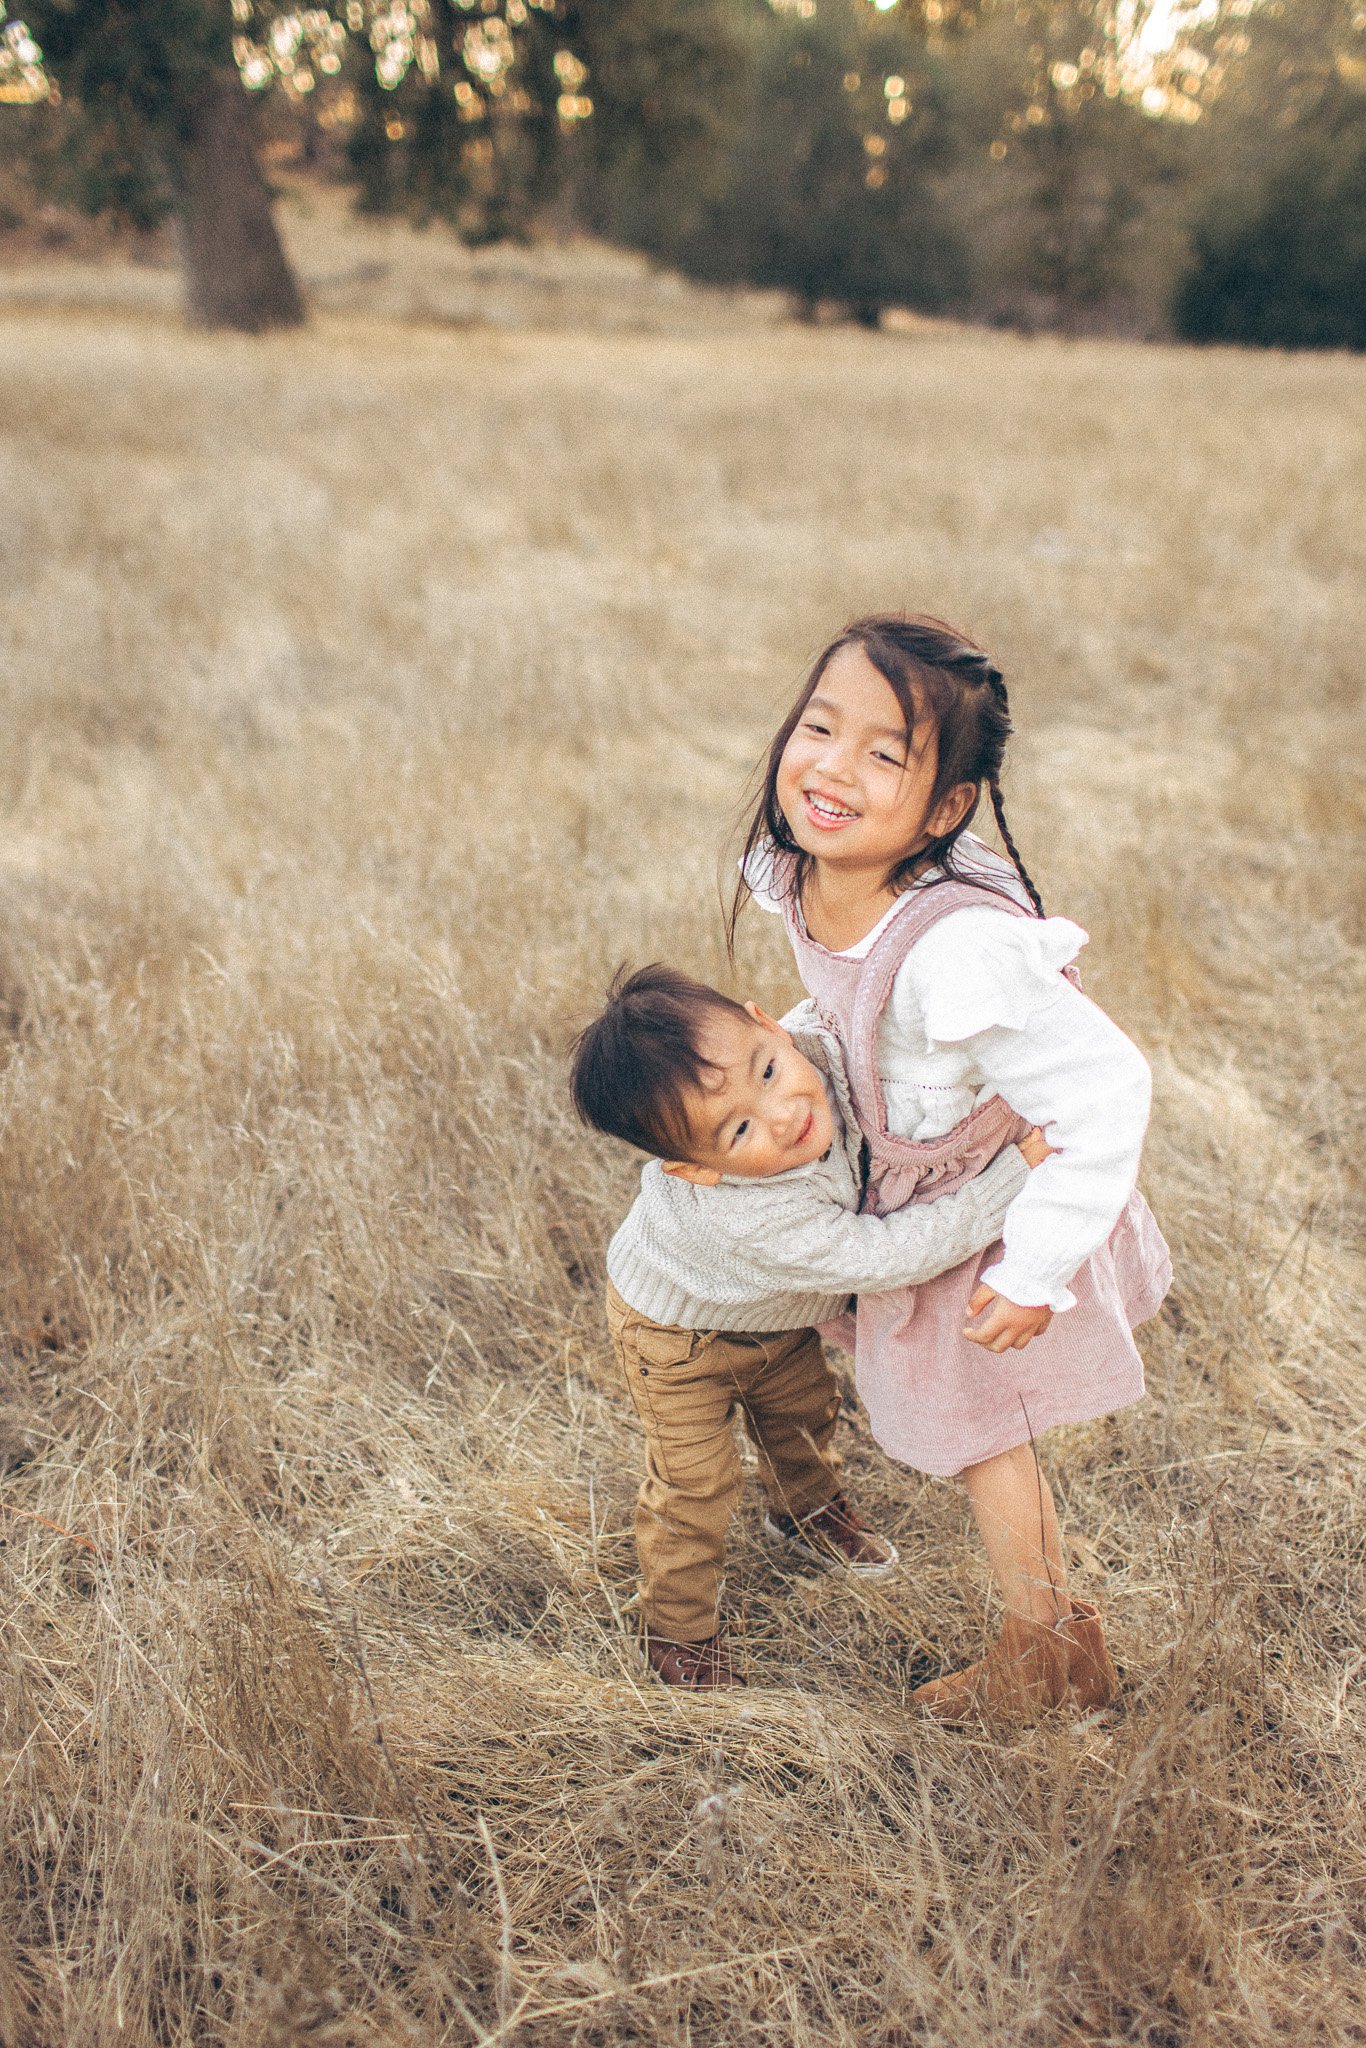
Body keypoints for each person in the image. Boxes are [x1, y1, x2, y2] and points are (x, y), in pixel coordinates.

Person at [731, 612, 1171, 1723]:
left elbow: (1106, 1087)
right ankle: (1063, 1643)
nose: (831, 766)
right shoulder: (802, 863)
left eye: (884, 752)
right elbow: (847, 1007)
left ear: (943, 807)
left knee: (984, 1436)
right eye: (818, 726)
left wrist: (1034, 1269)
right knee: (987, 1436)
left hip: (997, 1215)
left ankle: (1044, 1649)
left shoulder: (956, 949)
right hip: (919, 1192)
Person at [570, 964, 1052, 1689]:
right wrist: (1007, 1180)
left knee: (802, 1413)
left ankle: (806, 1514)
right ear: (692, 1170)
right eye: (737, 1130)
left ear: (770, 1024)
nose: (782, 1113)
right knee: (695, 1483)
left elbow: (859, 1013)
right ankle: (676, 1630)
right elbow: (889, 1254)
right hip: (676, 1337)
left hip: (777, 1316)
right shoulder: (754, 1217)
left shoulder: (820, 1047)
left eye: (767, 1070)